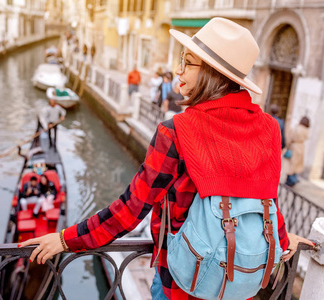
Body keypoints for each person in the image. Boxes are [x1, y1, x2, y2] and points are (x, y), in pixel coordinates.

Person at [19, 17, 313, 299]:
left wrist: (65, 239)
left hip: (181, 285)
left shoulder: (176, 131)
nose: (179, 72)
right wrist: (284, 241)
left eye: (187, 62)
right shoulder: (270, 129)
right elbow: (267, 201)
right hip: (238, 283)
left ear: (211, 72)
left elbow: (131, 210)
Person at [284, 116, 310, 187]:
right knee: (296, 164)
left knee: (290, 164)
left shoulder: (296, 128)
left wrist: (288, 145)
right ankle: (293, 179)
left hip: (294, 146)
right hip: (301, 147)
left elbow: (290, 138)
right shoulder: (306, 130)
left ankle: (290, 180)